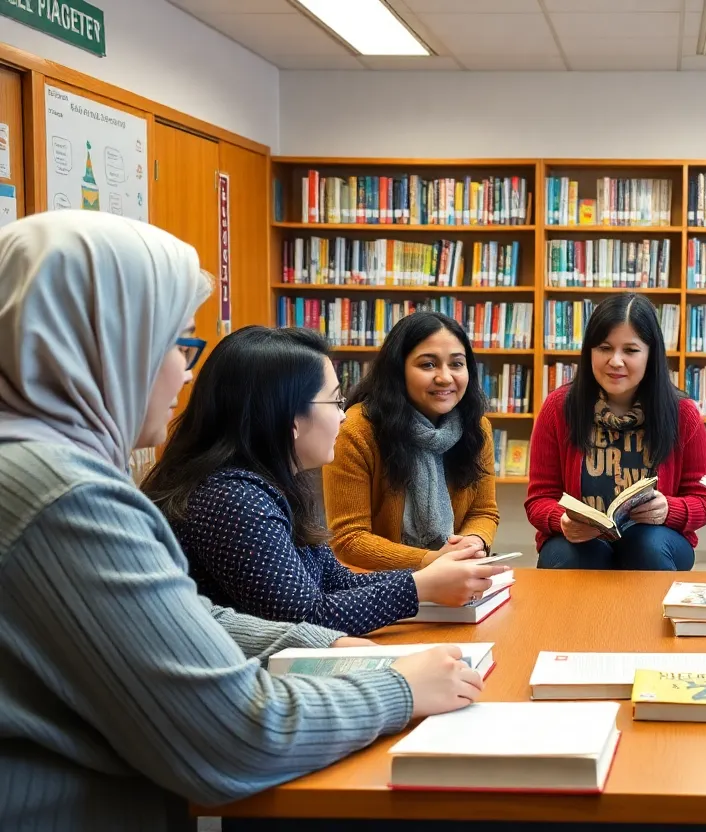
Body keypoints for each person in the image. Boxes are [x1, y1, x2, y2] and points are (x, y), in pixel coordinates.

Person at [0, 212, 483, 830]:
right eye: (176, 344)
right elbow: (237, 735)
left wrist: (326, 644)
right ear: (109, 343)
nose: (185, 370)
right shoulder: (66, 498)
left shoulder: (44, 468)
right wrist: (401, 689)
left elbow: (197, 615)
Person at [141, 326, 506, 636]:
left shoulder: (271, 485)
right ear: (290, 417)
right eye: (334, 402)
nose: (344, 418)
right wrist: (420, 585)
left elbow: (334, 581)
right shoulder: (232, 498)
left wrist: (431, 578)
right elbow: (304, 620)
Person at [526, 293, 706, 570]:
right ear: (589, 351)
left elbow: (704, 501)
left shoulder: (682, 413)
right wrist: (562, 520)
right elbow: (539, 499)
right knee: (576, 554)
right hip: (579, 543)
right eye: (604, 347)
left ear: (651, 354)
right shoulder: (559, 408)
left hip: (657, 541)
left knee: (646, 544)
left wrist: (668, 510)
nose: (615, 361)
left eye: (630, 350)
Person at [324, 311, 499, 571]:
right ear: (398, 369)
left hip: (456, 574)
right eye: (428, 365)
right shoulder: (356, 430)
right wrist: (431, 561)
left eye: (456, 364)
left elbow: (483, 512)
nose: (445, 377)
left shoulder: (476, 428)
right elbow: (349, 538)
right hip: (375, 582)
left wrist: (473, 543)